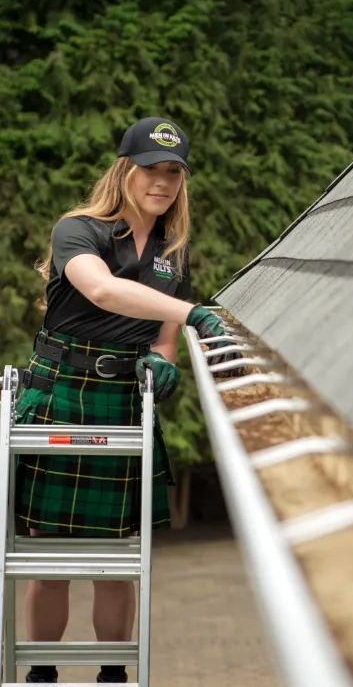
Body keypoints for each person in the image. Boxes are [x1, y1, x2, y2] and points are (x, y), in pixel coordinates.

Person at [14, 116, 238, 683]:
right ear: (125, 171)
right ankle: (43, 674)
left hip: (121, 399)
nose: (161, 183)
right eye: (150, 171)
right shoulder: (79, 229)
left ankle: (113, 674)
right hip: (61, 392)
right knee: (52, 555)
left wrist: (165, 358)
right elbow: (101, 289)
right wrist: (194, 314)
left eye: (173, 173)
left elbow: (163, 330)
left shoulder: (172, 252)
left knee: (118, 558)